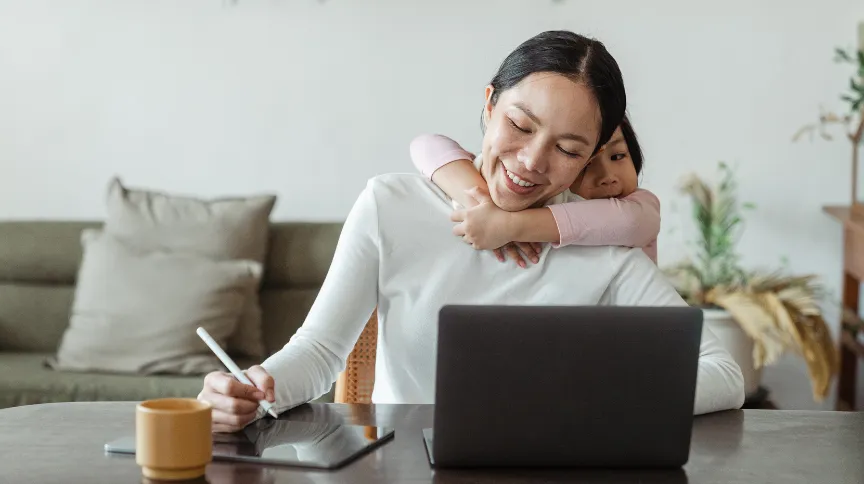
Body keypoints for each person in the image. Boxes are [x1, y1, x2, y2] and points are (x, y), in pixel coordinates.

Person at [198, 30, 745, 433]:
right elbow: (319, 352)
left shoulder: (603, 247)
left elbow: (723, 373)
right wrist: (251, 388)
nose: (531, 161)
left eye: (568, 149)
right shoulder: (391, 206)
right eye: (520, 126)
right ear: (488, 106)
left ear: (591, 159)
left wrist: (602, 395)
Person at [409, 115, 660, 268]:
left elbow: (630, 221)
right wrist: (483, 205)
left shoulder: (640, 206)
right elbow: (426, 145)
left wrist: (510, 225)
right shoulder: (542, 198)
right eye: (585, 166)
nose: (608, 178)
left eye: (618, 156)